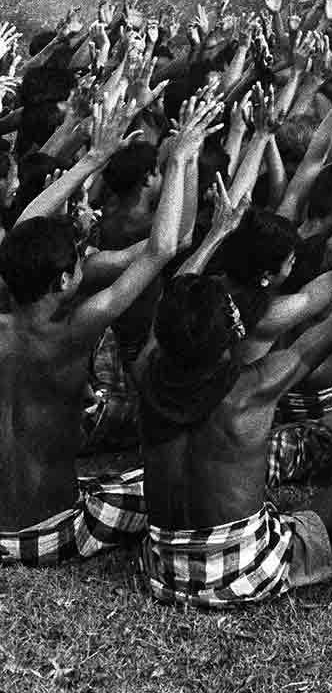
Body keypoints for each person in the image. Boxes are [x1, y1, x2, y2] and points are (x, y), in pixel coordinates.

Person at [0, 92, 218, 566]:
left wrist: (94, 159)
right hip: (51, 530)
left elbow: (23, 231)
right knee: (158, 481)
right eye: (77, 264)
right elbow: (163, 250)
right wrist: (180, 159)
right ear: (62, 282)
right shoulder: (77, 328)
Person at [137, 214, 332, 606]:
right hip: (242, 572)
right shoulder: (253, 388)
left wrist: (214, 235)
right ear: (231, 335)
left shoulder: (146, 373)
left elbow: (170, 302)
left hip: (163, 565)